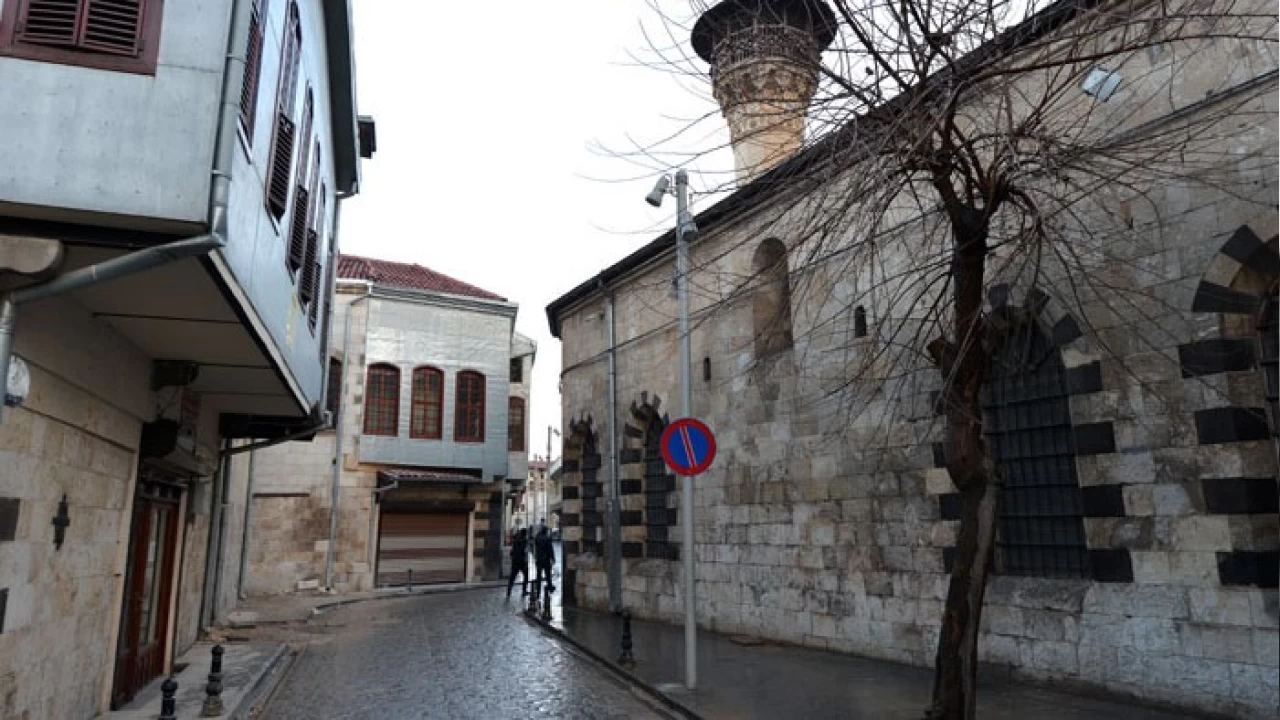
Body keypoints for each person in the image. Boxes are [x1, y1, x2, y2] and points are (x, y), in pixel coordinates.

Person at [507, 528, 529, 598]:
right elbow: (525, 551)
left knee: (512, 577)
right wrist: (525, 560)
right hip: (522, 561)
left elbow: (512, 551)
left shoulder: (516, 540)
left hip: (515, 561)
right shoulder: (525, 541)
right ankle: (524, 591)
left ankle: (508, 592)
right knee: (526, 576)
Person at [534, 525, 556, 593]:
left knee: (538, 575)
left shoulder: (537, 537)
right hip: (546, 559)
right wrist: (553, 558)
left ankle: (538, 589)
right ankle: (550, 587)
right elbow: (550, 549)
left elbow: (535, 547)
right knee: (548, 575)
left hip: (539, 558)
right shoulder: (547, 538)